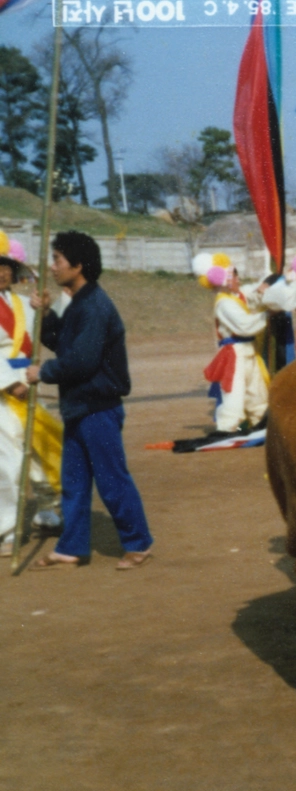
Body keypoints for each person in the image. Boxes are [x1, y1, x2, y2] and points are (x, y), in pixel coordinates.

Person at [26, 231, 152, 570]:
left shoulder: (95, 306)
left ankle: (138, 542)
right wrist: (47, 314)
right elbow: (62, 344)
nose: (52, 267)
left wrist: (43, 373)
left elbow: (81, 361)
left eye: (57, 260)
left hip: (98, 408)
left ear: (78, 265)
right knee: (74, 484)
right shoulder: (79, 303)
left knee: (111, 481)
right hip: (79, 407)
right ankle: (71, 546)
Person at [0, 230, 62, 556]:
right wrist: (10, 382)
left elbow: (49, 328)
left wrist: (46, 307)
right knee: (8, 462)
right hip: (2, 392)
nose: (1, 271)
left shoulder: (23, 302)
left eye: (6, 264)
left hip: (28, 383)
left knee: (42, 449)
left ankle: (47, 510)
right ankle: (7, 530)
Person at [192, 253, 269, 434]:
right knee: (234, 392)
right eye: (234, 275)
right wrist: (267, 315)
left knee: (256, 391)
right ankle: (227, 428)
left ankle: (261, 422)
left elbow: (252, 294)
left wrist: (266, 284)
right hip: (235, 353)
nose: (238, 278)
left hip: (248, 350)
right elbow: (244, 325)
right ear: (225, 279)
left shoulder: (237, 296)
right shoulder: (224, 303)